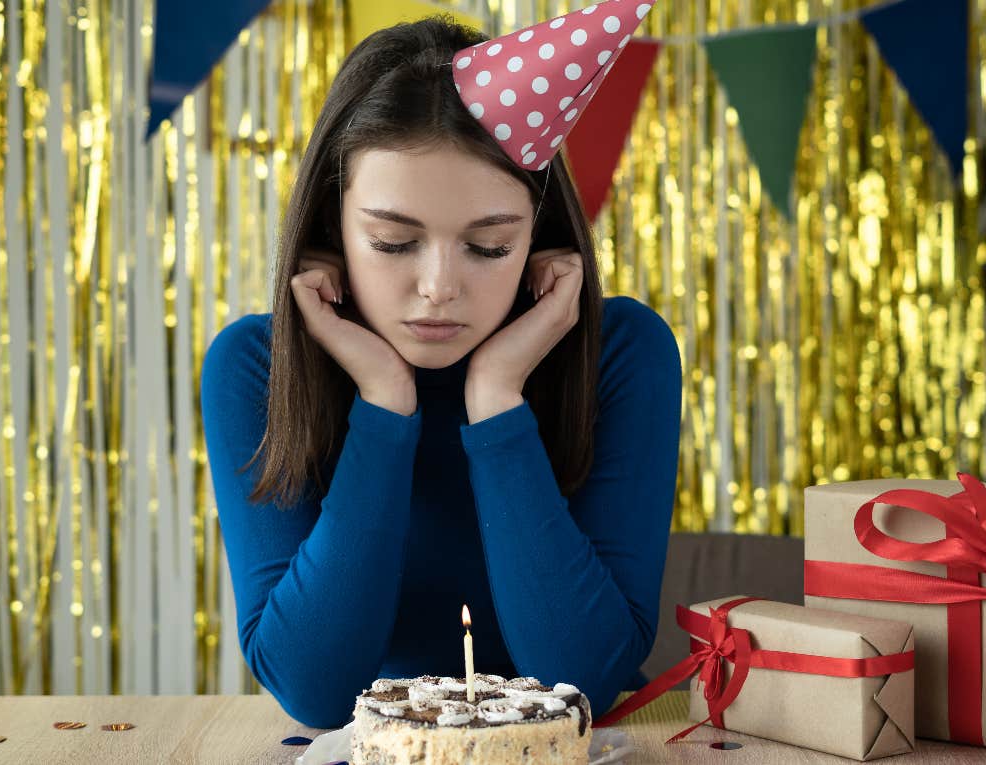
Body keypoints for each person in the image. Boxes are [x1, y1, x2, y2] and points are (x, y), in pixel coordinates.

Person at [200, 7, 679, 730]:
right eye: (393, 242)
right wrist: (385, 401)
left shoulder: (623, 351)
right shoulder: (255, 368)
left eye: (488, 247)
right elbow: (315, 690)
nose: (439, 287)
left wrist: (496, 397)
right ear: (333, 223)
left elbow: (581, 678)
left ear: (538, 234)